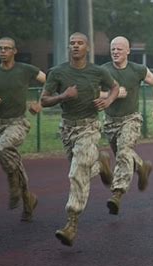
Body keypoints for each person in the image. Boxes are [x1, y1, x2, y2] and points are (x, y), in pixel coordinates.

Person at [40, 32, 120, 246]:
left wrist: (109, 101)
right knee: (82, 170)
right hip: (67, 129)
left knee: (76, 173)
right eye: (72, 43)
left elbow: (115, 87)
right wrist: (63, 96)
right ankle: (102, 164)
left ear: (88, 48)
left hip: (89, 127)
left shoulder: (98, 71)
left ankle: (71, 223)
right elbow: (44, 100)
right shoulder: (57, 72)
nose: (75, 46)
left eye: (80, 43)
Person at [0, 36, 46, 222]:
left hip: (18, 122)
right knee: (14, 163)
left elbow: (49, 81)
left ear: (14, 51)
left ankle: (13, 186)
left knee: (1, 149)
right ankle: (28, 201)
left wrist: (40, 104)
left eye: (7, 48)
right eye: (0, 48)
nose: (3, 51)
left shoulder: (25, 69)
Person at [101, 36, 153, 215]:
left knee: (123, 151)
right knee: (125, 155)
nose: (115, 52)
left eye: (119, 49)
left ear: (128, 51)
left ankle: (117, 193)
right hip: (110, 122)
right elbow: (91, 92)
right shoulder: (103, 70)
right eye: (113, 49)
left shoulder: (137, 69)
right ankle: (142, 167)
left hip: (131, 119)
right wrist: (111, 94)